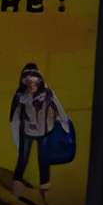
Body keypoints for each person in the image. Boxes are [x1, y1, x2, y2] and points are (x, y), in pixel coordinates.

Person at [8, 65, 63, 193]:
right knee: (23, 157)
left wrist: (63, 123)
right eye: (28, 81)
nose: (31, 85)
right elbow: (14, 118)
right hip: (26, 132)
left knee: (44, 157)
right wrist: (16, 139)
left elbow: (58, 109)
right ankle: (17, 181)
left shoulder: (48, 93)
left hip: (43, 132)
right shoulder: (20, 96)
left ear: (39, 80)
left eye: (34, 81)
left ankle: (45, 185)